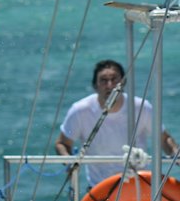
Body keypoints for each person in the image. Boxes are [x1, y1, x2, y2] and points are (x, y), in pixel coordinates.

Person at [56, 59, 176, 190]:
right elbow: (62, 143)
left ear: (122, 83)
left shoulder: (141, 107)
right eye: (103, 80)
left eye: (114, 79)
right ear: (95, 85)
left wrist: (176, 153)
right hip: (100, 187)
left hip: (138, 184)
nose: (110, 85)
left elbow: (164, 139)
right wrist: (68, 160)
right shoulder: (80, 111)